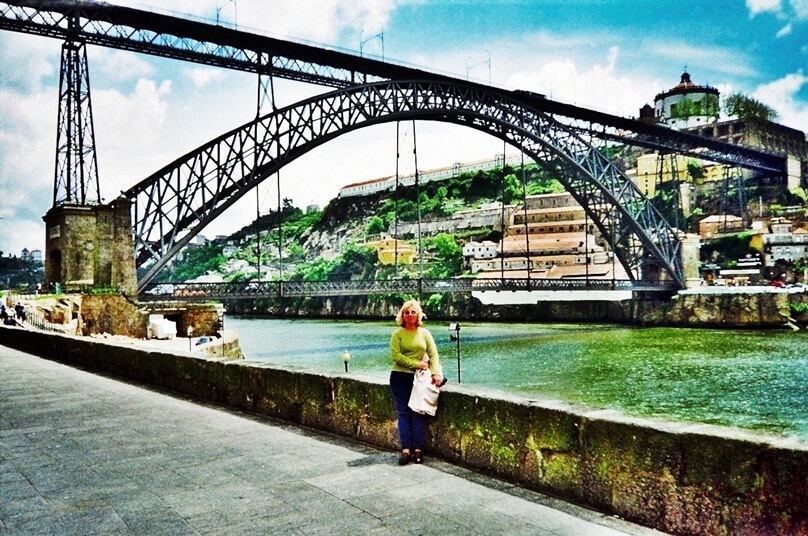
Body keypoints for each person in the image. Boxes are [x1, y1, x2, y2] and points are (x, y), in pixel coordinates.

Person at [389, 299, 443, 465]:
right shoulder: (397, 334)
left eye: (413, 312)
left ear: (418, 314)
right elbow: (396, 356)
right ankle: (406, 450)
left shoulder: (424, 333)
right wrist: (417, 363)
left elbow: (433, 355)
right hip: (400, 376)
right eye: (406, 312)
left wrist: (435, 373)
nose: (410, 315)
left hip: (420, 378)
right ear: (402, 315)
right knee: (404, 413)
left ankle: (418, 450)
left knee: (418, 412)